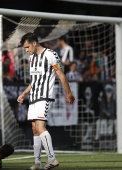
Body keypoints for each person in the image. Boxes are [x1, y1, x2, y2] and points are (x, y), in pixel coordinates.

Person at [17, 32, 75, 170]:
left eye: (27, 47)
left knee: (41, 127)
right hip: (33, 97)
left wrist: (69, 93)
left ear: (34, 43)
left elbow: (60, 74)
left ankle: (52, 159)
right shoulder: (32, 59)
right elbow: (34, 81)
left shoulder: (50, 55)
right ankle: (37, 163)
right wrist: (24, 93)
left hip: (44, 96)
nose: (26, 50)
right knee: (34, 129)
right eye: (24, 48)